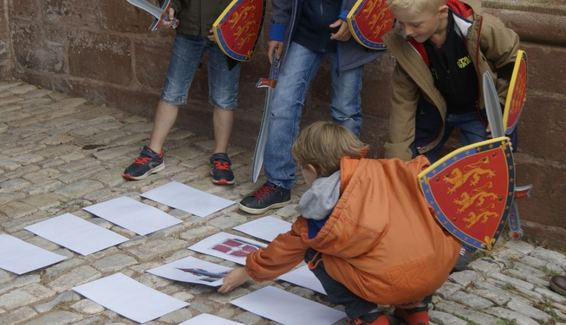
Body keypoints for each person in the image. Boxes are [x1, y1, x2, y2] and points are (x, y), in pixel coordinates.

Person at [220, 122, 461, 325]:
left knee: (313, 251)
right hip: (437, 269)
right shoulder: (394, 168)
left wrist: (247, 271)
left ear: (312, 170)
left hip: (390, 284)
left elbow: (284, 251)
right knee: (418, 232)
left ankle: (367, 316)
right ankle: (415, 309)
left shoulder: (320, 208)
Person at [382, 0, 520, 270]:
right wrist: (398, 157)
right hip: (435, 109)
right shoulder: (406, 43)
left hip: (479, 111)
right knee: (411, 163)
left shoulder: (482, 28)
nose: (407, 31)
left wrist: (501, 110)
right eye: (401, 23)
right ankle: (414, 226)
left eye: (415, 24)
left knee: (480, 171)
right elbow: (403, 102)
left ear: (441, 12)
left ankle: (468, 239)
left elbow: (512, 62)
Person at [238, 0, 383, 214]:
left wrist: (352, 16)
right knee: (282, 103)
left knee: (346, 112)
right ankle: (278, 182)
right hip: (304, 32)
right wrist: (278, 30)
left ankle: (346, 185)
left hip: (350, 35)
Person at [123, 0, 240, 185]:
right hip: (189, 30)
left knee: (224, 97)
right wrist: (170, 7)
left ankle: (221, 156)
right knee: (172, 91)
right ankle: (153, 153)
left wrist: (232, 24)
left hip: (225, 33)